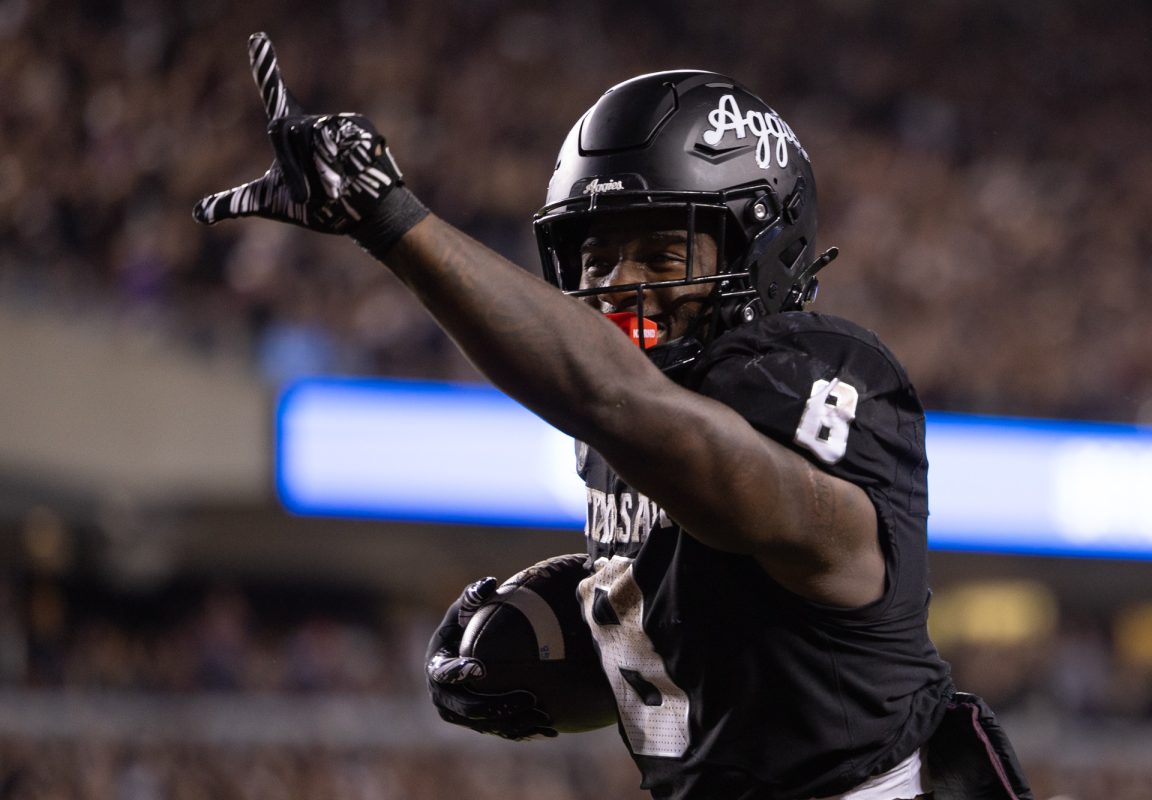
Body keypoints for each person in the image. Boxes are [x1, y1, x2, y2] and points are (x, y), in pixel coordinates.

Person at [195, 33, 1033, 800]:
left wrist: (389, 220)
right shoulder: (630, 431)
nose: (617, 287)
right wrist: (590, 640)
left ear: (762, 247)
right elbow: (734, 649)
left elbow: (673, 440)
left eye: (664, 254)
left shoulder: (827, 379)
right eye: (595, 257)